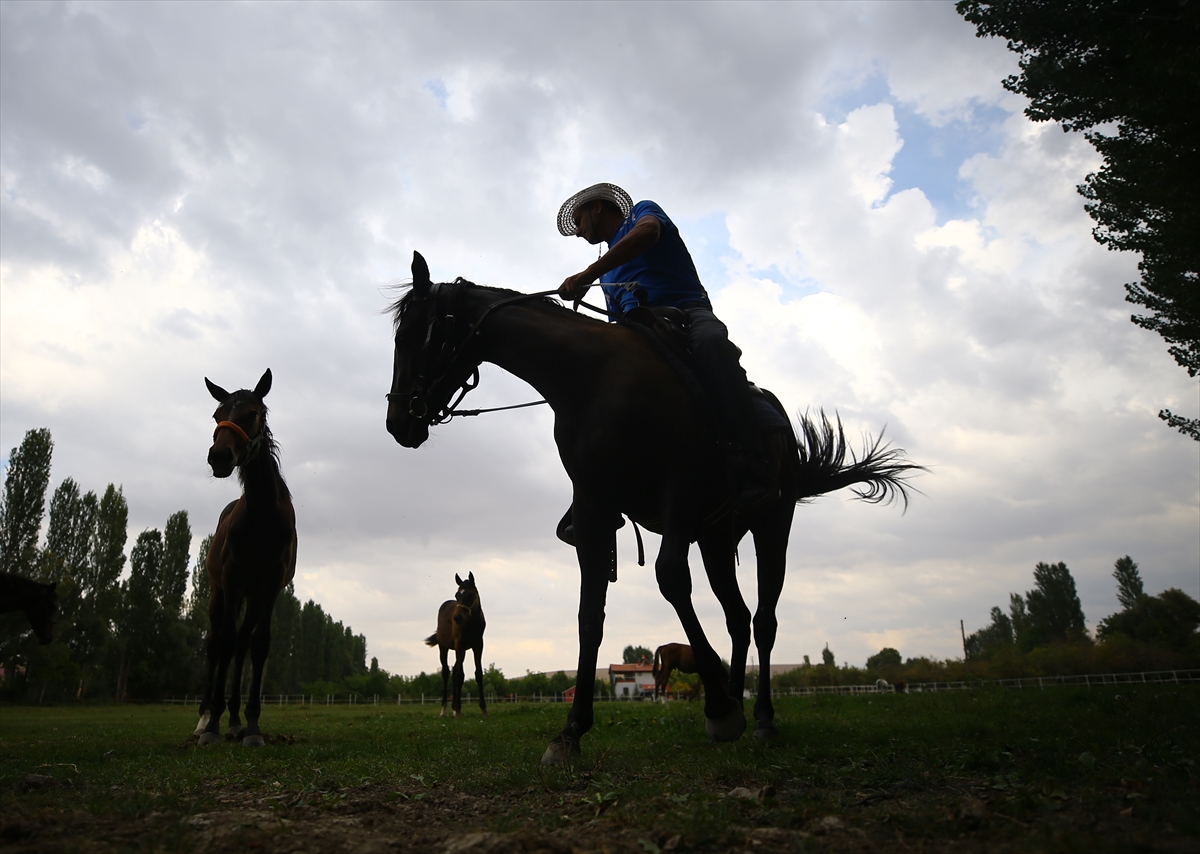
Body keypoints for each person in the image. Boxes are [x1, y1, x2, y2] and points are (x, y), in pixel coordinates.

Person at [556, 182, 777, 514]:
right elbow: (616, 323)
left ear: (596, 207)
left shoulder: (643, 213)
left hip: (686, 314)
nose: (577, 232)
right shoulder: (605, 277)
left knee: (712, 343)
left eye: (578, 220)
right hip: (638, 328)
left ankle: (748, 457)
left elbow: (649, 234)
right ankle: (592, 488)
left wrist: (588, 273)